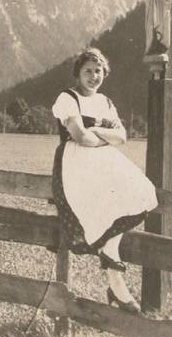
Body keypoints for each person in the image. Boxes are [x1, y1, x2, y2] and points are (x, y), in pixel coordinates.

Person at [52, 48, 158, 313]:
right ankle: (116, 285)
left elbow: (122, 136)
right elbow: (80, 138)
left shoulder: (106, 102)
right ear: (78, 73)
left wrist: (97, 129)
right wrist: (104, 134)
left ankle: (115, 283)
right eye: (88, 70)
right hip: (76, 164)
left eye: (98, 71)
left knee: (139, 193)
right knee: (101, 213)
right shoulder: (68, 98)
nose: (94, 76)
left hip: (104, 164)